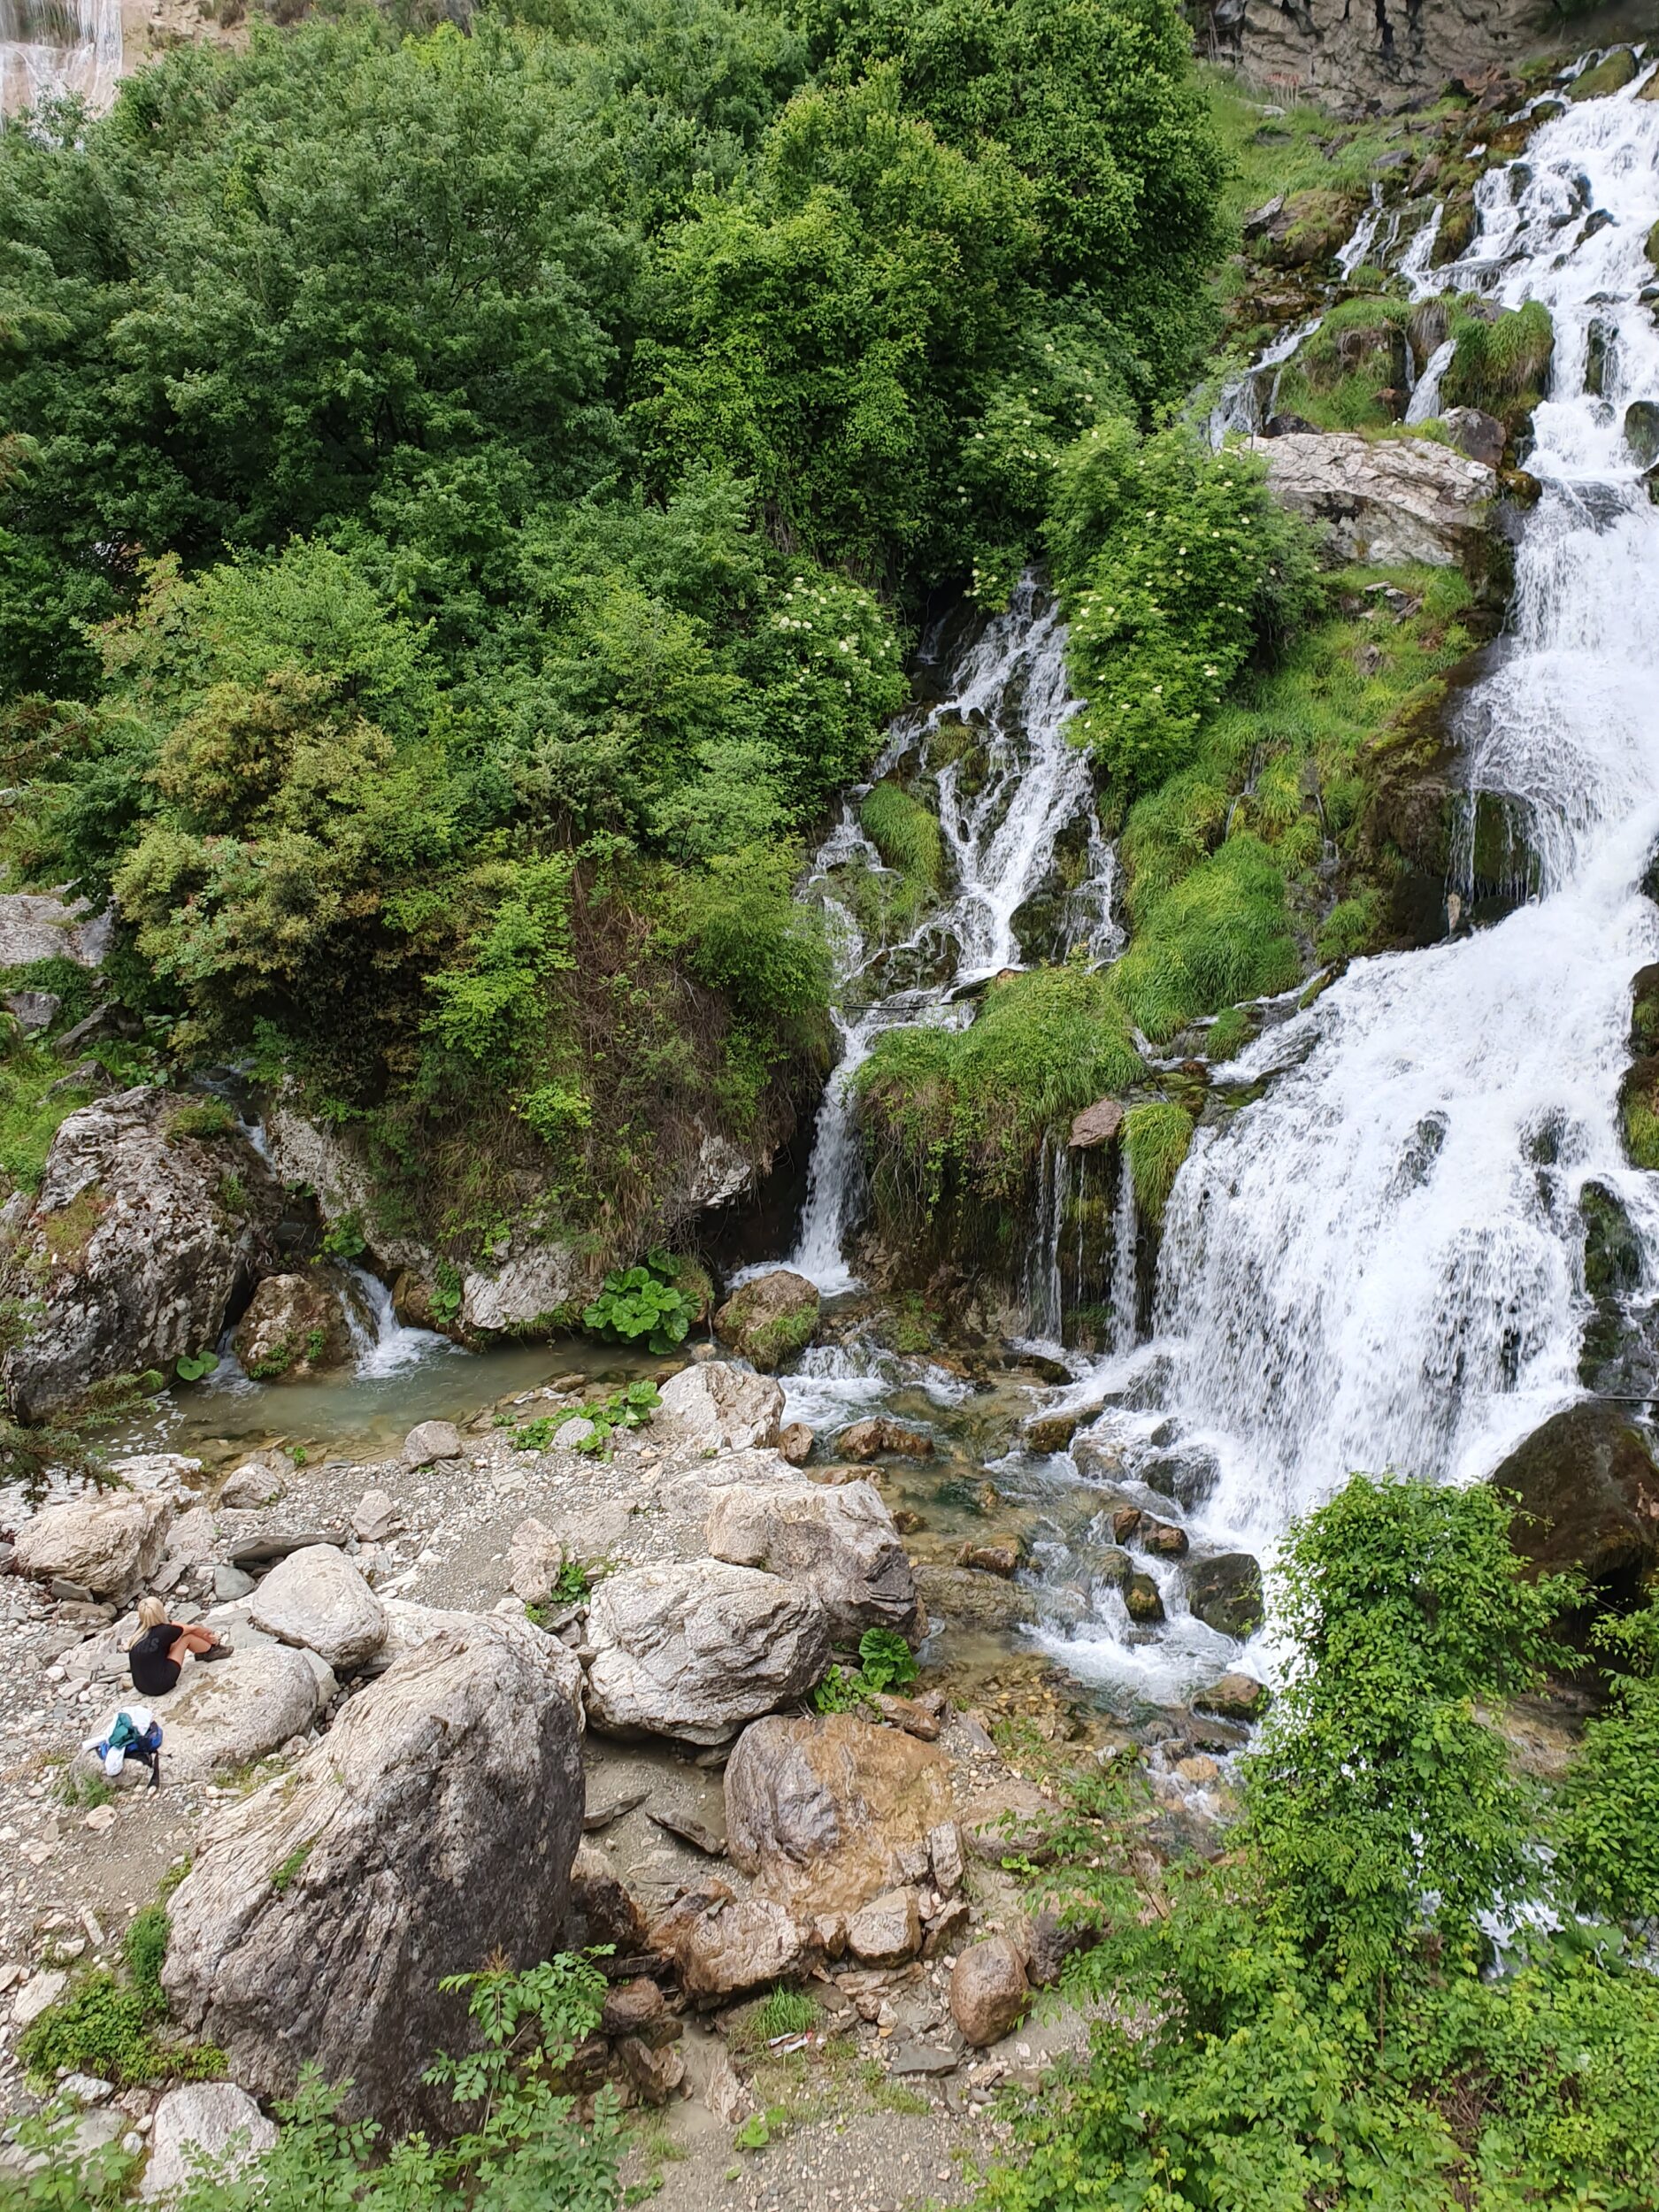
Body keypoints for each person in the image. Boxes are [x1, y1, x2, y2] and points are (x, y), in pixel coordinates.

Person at [127, 1596, 232, 1697]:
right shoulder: (165, 1631)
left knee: (179, 1635)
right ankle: (211, 1651)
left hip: (141, 1686)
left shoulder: (139, 1632)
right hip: (160, 1685)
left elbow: (175, 1625)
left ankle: (204, 1651)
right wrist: (209, 1636)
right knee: (187, 1637)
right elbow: (193, 1629)